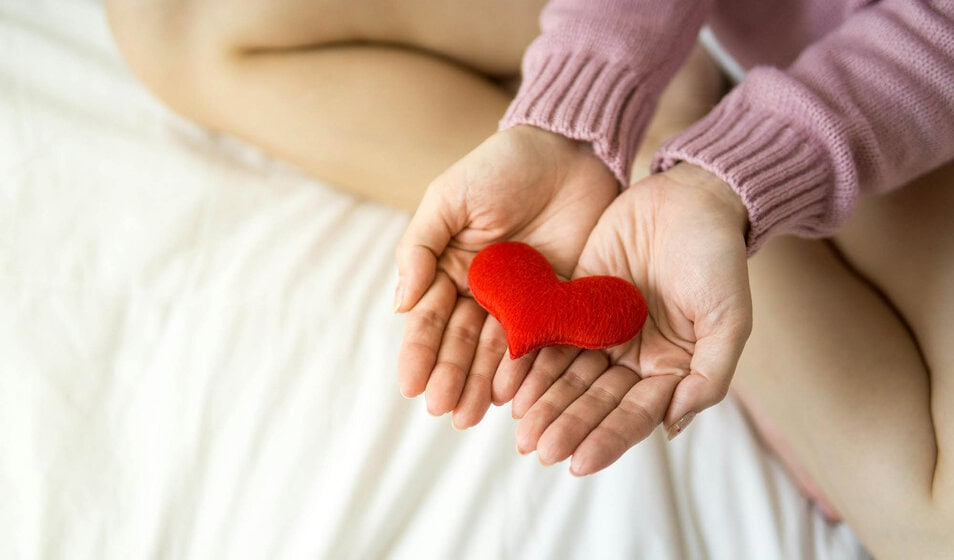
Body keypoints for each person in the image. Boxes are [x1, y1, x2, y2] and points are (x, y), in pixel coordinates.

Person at [105, 0, 953, 556]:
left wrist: (729, 179)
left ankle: (674, 202)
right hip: (656, 19)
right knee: (169, 20)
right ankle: (642, 172)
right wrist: (571, 111)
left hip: (908, 92)